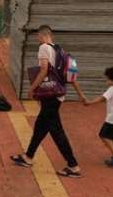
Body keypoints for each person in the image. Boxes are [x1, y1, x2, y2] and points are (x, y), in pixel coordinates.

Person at [10, 25, 83, 178]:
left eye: (37, 36)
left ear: (41, 35)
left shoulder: (44, 47)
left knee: (56, 131)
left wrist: (32, 88)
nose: (37, 39)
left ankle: (73, 165)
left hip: (50, 95)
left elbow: (43, 70)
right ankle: (28, 157)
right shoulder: (59, 49)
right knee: (40, 126)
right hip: (57, 93)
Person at [85, 67, 113, 167]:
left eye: (108, 79)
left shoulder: (112, 89)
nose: (106, 81)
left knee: (103, 135)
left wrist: (89, 102)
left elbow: (103, 98)